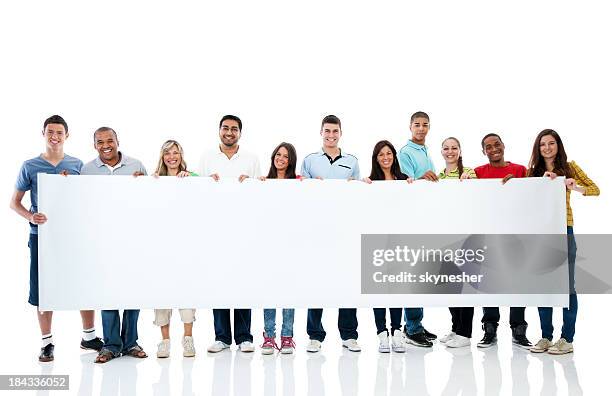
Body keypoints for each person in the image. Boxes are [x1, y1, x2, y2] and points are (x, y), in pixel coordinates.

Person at [10, 115, 103, 362]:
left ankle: (89, 336)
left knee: (82, 283)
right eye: (50, 132)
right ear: (43, 133)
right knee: (43, 289)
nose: (55, 137)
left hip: (72, 237)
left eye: (59, 133)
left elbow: (85, 200)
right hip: (41, 237)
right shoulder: (29, 166)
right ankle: (47, 342)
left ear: (66, 135)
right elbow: (14, 203)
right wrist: (31, 216)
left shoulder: (76, 164)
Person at [527, 129, 599, 355]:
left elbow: (595, 190)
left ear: (558, 145)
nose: (547, 148)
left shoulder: (570, 166)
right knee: (543, 286)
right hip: (541, 234)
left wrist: (573, 186)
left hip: (564, 230)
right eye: (542, 145)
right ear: (538, 149)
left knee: (567, 284)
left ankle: (567, 338)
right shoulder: (533, 172)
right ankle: (546, 336)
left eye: (551, 143)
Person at [81, 126, 149, 363]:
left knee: (132, 291)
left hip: (132, 240)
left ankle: (130, 343)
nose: (105, 145)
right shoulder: (86, 170)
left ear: (118, 141)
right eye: (100, 142)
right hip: (102, 241)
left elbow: (150, 200)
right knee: (107, 291)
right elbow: (81, 203)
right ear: (94, 145)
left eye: (110, 140)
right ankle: (110, 345)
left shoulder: (136, 165)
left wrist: (144, 184)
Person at [199, 115, 261, 353]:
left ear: (240, 133)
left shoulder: (251, 159)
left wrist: (251, 183)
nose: (229, 132)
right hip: (215, 230)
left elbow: (259, 193)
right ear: (219, 131)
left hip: (244, 230)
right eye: (225, 128)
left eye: (234, 129)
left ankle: (245, 336)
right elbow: (199, 191)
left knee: (243, 281)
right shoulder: (206, 158)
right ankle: (222, 336)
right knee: (220, 281)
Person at [301, 114, 361, 353]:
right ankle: (315, 335)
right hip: (317, 230)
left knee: (346, 281)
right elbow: (301, 194)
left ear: (340, 133)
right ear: (321, 132)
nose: (331, 135)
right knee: (317, 281)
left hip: (344, 230)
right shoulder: (310, 160)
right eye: (327, 131)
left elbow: (357, 196)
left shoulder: (352, 161)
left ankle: (349, 334)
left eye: (335, 131)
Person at [474, 133, 532, 349]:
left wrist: (519, 185)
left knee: (517, 282)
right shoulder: (478, 172)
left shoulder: (519, 170)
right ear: (484, 151)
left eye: (496, 144)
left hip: (515, 235)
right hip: (488, 235)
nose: (493, 149)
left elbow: (531, 196)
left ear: (503, 146)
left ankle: (518, 328)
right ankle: (490, 328)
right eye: (488, 147)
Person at [363, 140, 413, 353]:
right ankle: (382, 333)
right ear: (376, 158)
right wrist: (361, 186)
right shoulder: (371, 182)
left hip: (398, 242)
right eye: (381, 154)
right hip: (376, 242)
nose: (385, 157)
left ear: (394, 156)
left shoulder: (403, 180)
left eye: (389, 153)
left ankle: (397, 332)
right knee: (379, 288)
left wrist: (413, 186)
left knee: (396, 288)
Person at [153, 140, 197, 358]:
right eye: (168, 153)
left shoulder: (192, 177)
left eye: (176, 152)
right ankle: (165, 340)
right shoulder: (154, 180)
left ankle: (188, 338)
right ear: (162, 156)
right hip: (161, 247)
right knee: (162, 292)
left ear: (181, 155)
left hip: (185, 246)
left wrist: (193, 180)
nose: (172, 157)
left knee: (186, 290)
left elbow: (209, 187)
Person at [397, 111, 438, 347]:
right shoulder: (406, 152)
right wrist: (422, 177)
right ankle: (411, 328)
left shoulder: (425, 152)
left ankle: (416, 324)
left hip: (424, 220)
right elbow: (408, 186)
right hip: (410, 221)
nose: (421, 128)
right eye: (417, 125)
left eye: (425, 125)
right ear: (410, 126)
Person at [258, 142, 298, 355]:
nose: (281, 158)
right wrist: (254, 184)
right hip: (269, 246)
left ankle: (287, 336)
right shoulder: (265, 182)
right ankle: (269, 336)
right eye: (278, 154)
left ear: (290, 160)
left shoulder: (297, 182)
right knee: (270, 291)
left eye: (285, 156)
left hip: (291, 246)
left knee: (289, 292)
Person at [437, 137, 476, 348]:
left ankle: (465, 333)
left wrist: (471, 183)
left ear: (460, 151)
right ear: (441, 152)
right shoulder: (440, 176)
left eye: (454, 148)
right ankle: (455, 328)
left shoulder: (470, 173)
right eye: (446, 148)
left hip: (466, 237)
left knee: (465, 286)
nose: (450, 151)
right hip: (446, 235)